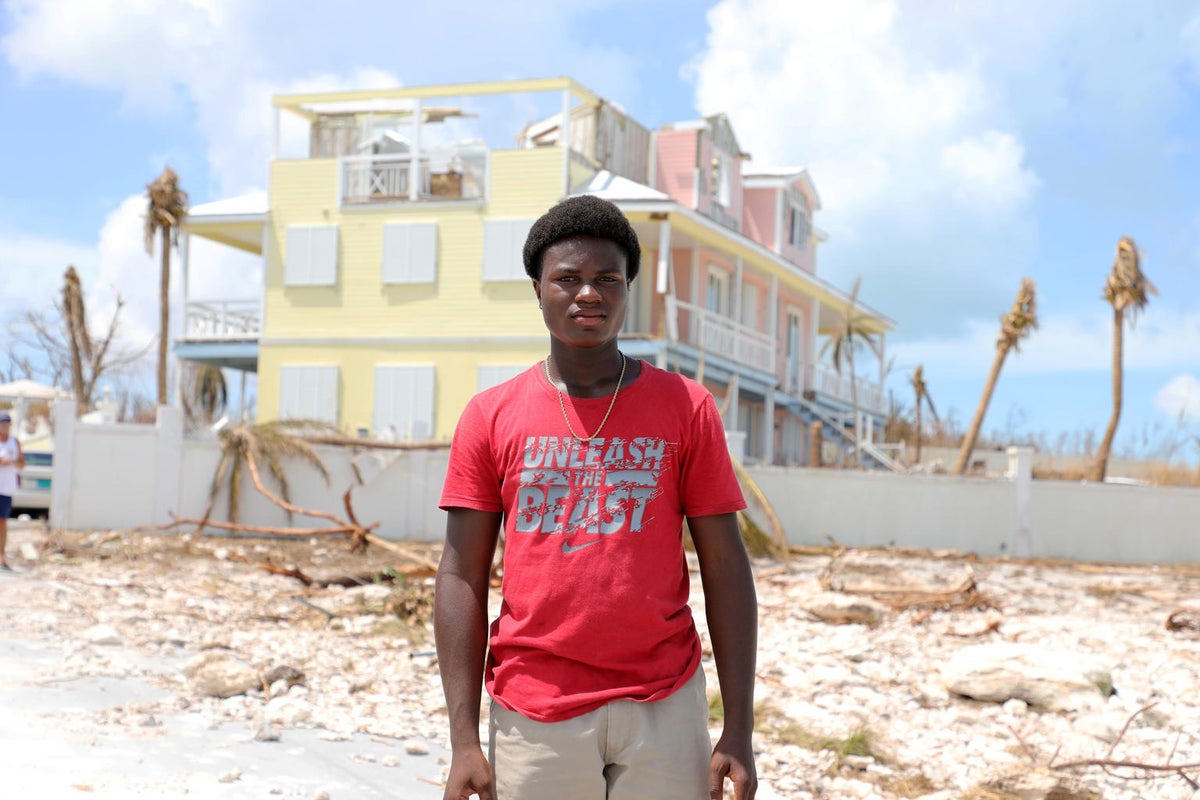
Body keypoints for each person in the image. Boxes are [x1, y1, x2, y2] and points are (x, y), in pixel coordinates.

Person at [435, 194, 758, 800]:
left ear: (628, 287)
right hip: (535, 708)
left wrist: (738, 727)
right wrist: (463, 741)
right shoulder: (490, 415)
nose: (590, 293)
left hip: (664, 700)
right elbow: (460, 576)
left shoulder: (687, 407)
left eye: (608, 278)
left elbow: (726, 564)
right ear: (537, 289)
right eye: (568, 278)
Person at [0, 411, 25, 571]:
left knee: (2, 522)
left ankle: (1, 555)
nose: (5, 426)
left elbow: (22, 464)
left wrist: (11, 461)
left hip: (7, 488)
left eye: (7, 424)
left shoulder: (14, 442)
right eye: (3, 423)